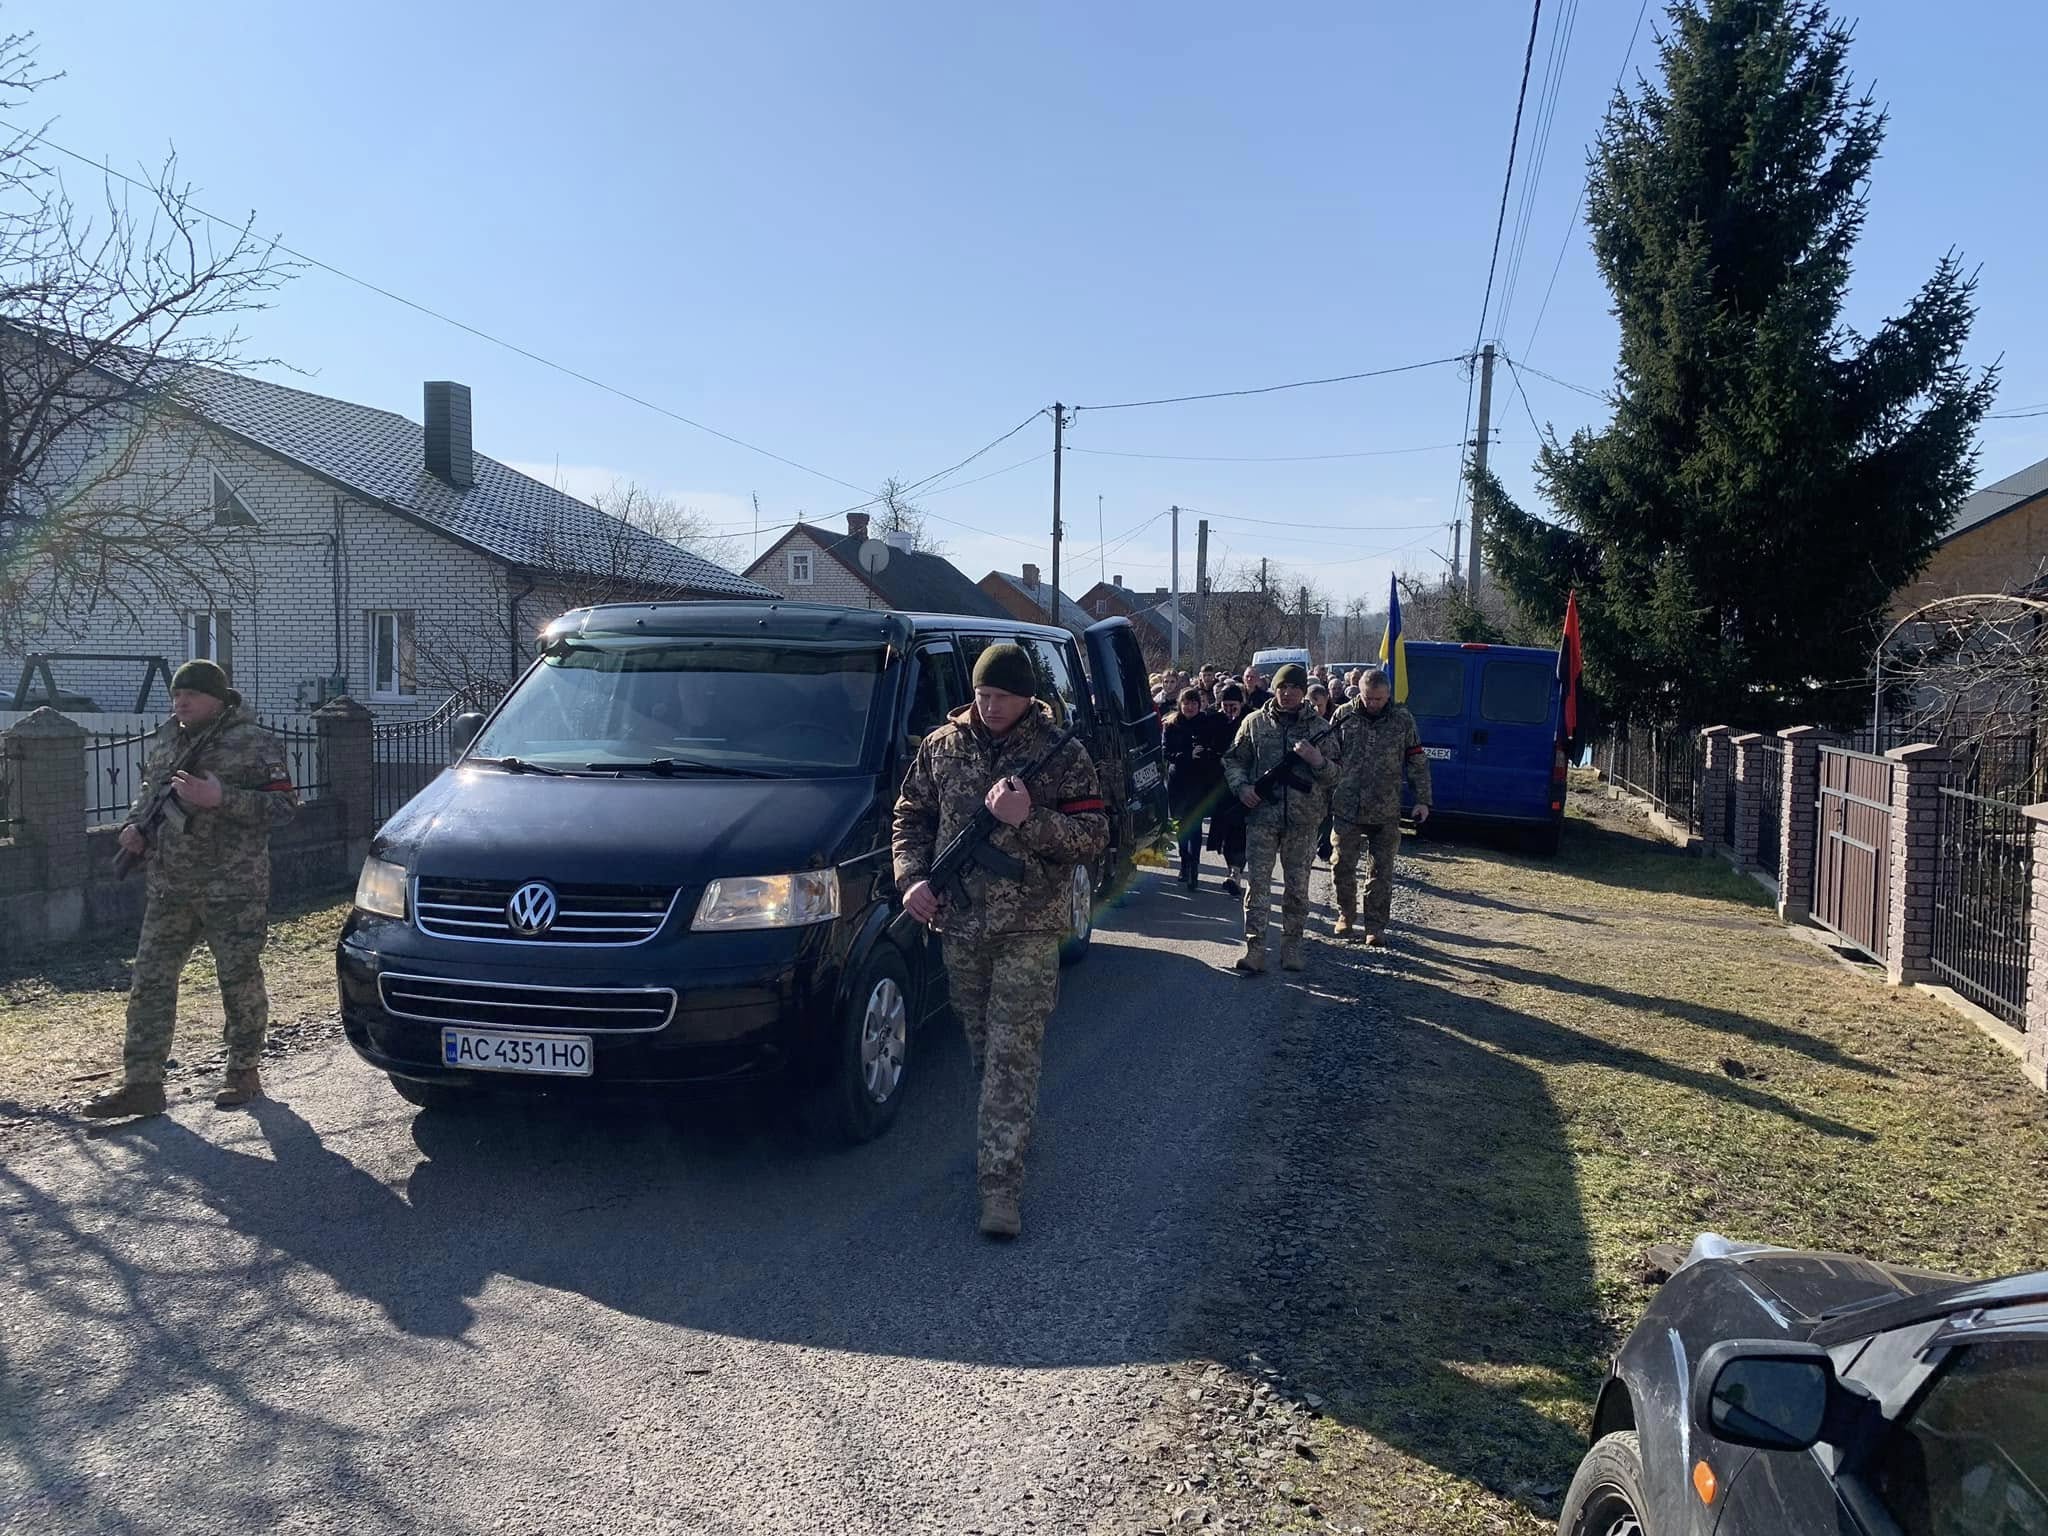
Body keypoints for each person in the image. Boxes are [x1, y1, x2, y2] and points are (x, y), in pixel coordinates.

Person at [892, 642, 1109, 1239]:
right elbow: (910, 817)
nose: (990, 706)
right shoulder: (941, 746)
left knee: (1012, 1056)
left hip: (1031, 927)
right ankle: (1010, 1130)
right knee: (984, 1048)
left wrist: (1027, 819)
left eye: (1003, 697)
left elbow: (1094, 835)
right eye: (983, 695)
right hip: (960, 925)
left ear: (1027, 698)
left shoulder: (1062, 753)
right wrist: (911, 879)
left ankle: (1000, 1188)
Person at [81, 660, 300, 1120]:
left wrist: (222, 798)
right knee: (150, 981)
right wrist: (135, 827)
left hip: (233, 886)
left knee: (238, 979)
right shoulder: (168, 738)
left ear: (217, 698)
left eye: (192, 694)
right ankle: (142, 1084)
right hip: (170, 885)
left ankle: (243, 1071)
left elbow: (284, 807)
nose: (181, 702)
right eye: (177, 695)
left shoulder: (253, 741)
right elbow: (149, 792)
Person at [1222, 663, 1336, 974]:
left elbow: (1337, 774)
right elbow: (1233, 760)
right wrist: (1242, 787)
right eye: (1282, 687)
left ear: (1303, 692)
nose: (1287, 693)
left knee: (1297, 888)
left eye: (1294, 688)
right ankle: (1255, 949)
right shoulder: (1254, 723)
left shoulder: (1319, 728)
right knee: (1257, 885)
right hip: (1262, 817)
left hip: (1303, 821)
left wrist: (1318, 760)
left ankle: (1291, 947)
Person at [1328, 666, 1432, 944]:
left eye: (1378, 699)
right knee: (1341, 865)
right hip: (1347, 805)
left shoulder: (1402, 719)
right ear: (1359, 692)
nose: (1372, 703)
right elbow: (1328, 758)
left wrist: (1422, 800)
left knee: (1381, 871)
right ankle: (1345, 914)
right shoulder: (1343, 715)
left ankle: (1375, 926)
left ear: (1388, 695)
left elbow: (1417, 760)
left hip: (1385, 807)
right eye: (1367, 698)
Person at [1162, 684, 1230, 889]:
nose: (1190, 707)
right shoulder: (1171, 725)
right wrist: (1186, 755)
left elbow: (1218, 744)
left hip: (1199, 781)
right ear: (1180, 704)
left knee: (1195, 824)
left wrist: (1207, 753)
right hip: (1178, 781)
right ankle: (1184, 860)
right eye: (1186, 703)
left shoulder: (1207, 723)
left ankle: (1194, 866)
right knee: (1181, 824)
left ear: (1199, 705)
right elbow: (1166, 752)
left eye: (1193, 703)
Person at [1207, 683, 1250, 893]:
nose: (1229, 710)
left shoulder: (1250, 720)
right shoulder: (1214, 721)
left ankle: (1236, 871)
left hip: (1244, 783)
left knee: (1240, 831)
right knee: (1224, 832)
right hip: (1220, 785)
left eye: (1233, 706)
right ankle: (1231, 870)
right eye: (1225, 706)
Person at [1308, 683, 1337, 863]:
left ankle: (1324, 846)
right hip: (1312, 777)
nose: (1316, 709)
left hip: (1330, 773)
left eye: (1319, 704)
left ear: (1327, 699)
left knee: (1328, 814)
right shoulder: (1306, 721)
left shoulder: (1336, 718)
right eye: (1312, 705)